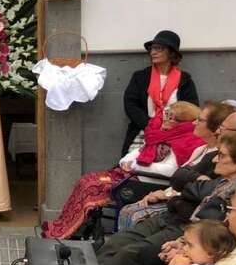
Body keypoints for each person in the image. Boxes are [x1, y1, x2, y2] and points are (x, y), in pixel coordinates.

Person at [98, 118, 236, 265]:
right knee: (116, 242)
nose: (216, 159)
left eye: (222, 156)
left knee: (131, 253)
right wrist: (188, 187)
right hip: (175, 217)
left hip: (186, 230)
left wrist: (182, 243)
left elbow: (211, 226)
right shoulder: (221, 179)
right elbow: (180, 179)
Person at [42, 101, 206, 239]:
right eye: (166, 115)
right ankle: (70, 226)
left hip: (147, 181)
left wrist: (135, 166)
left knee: (91, 186)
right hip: (132, 174)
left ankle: (72, 229)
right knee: (86, 180)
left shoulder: (185, 141)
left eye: (171, 118)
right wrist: (126, 162)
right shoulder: (159, 134)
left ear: (182, 122)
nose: (166, 119)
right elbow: (137, 152)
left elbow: (171, 171)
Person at [118, 101, 236, 230]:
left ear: (215, 127)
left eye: (200, 120)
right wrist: (161, 193)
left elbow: (194, 185)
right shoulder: (200, 149)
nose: (193, 123)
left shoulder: (216, 156)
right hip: (173, 197)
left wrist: (168, 193)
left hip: (185, 210)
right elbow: (178, 177)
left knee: (133, 214)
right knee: (128, 209)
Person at [122, 30, 199, 156]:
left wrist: (171, 127)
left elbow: (192, 110)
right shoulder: (140, 77)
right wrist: (151, 125)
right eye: (152, 49)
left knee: (168, 165)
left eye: (159, 48)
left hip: (174, 134)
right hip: (144, 131)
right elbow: (130, 105)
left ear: (171, 53)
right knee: (132, 164)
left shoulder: (185, 80)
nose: (153, 52)